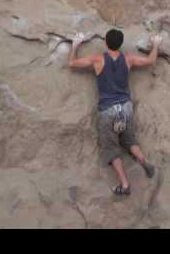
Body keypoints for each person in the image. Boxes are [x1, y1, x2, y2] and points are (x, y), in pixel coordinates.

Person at [68, 29, 162, 196]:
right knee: (129, 140)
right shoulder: (128, 59)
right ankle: (144, 161)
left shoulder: (97, 59)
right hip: (125, 107)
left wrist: (75, 46)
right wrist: (155, 44)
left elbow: (72, 63)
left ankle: (125, 185)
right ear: (120, 44)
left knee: (111, 148)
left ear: (105, 42)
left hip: (108, 110)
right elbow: (150, 60)